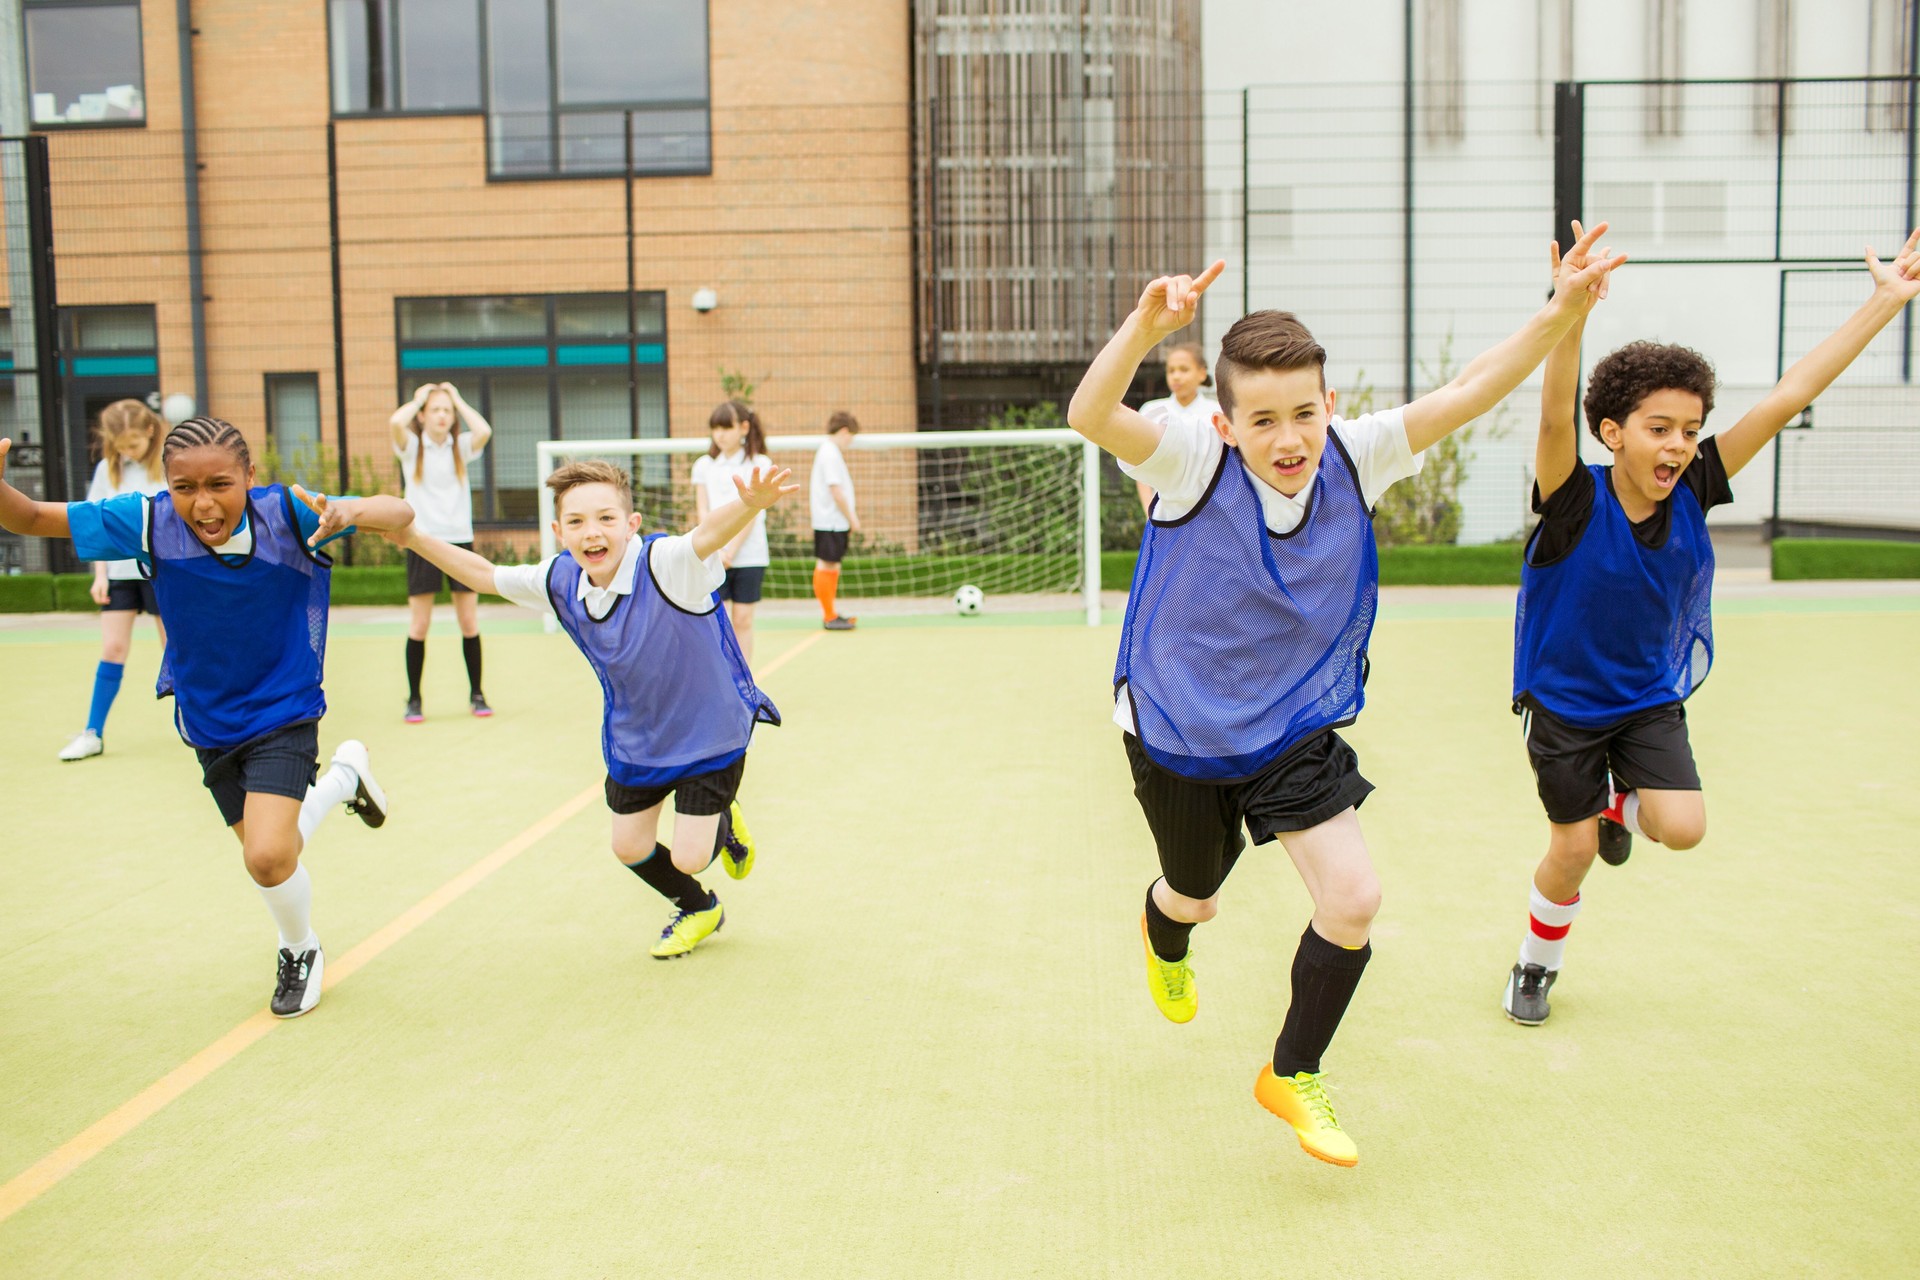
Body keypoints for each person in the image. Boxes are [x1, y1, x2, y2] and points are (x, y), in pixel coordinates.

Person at [1065, 227, 1624, 1168]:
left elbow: (1471, 386)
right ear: (1226, 423)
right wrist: (1145, 326)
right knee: (1196, 897)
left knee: (1355, 896)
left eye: (1303, 413)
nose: (1287, 439)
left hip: (1291, 726)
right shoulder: (1186, 463)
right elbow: (1090, 413)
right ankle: (1167, 927)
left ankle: (1292, 1070)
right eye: (1263, 420)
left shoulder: (1356, 455)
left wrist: (1562, 309)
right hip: (1180, 729)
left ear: (1330, 403)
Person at [1502, 225, 1920, 1026]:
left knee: (1683, 829)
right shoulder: (1573, 497)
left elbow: (1791, 395)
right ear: (1613, 433)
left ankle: (1622, 802)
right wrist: (1571, 310)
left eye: (1691, 429)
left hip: (1647, 698)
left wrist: (1884, 302)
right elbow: (1556, 411)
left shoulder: (1696, 487)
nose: (1680, 444)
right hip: (1563, 710)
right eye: (1660, 428)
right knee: (1573, 851)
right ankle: (1534, 964)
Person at [0, 417, 414, 1018]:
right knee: (277, 853)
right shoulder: (148, 521)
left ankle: (299, 949)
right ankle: (346, 779)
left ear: (250, 476)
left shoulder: (291, 512)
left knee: (267, 857)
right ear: (166, 486)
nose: (203, 502)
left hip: (284, 706)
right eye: (184, 487)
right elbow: (33, 518)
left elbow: (398, 512)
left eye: (220, 483)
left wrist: (353, 512)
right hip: (208, 720)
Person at [388, 458, 794, 959]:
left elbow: (705, 535)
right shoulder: (560, 580)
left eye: (605, 518)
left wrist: (748, 505)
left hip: (711, 731)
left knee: (689, 855)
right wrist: (412, 538)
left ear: (631, 525)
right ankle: (701, 908)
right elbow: (484, 574)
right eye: (576, 522)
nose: (592, 532)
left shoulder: (666, 562)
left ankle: (721, 822)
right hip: (639, 735)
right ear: (559, 532)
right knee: (628, 847)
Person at [58, 399, 169, 761]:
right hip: (120, 575)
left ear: (150, 432)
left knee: (176, 650)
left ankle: (208, 727)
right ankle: (93, 732)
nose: (128, 453)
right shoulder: (108, 469)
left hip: (162, 571)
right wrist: (100, 575)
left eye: (133, 445)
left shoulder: (169, 464)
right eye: (121, 447)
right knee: (112, 649)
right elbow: (95, 522)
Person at [389, 381, 494, 723]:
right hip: (422, 541)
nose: (441, 415)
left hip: (459, 540)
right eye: (435, 410)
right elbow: (395, 423)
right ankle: (414, 699)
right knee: (420, 624)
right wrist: (420, 397)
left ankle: (477, 695)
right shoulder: (411, 446)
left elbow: (484, 430)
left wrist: (458, 399)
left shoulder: (460, 447)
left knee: (468, 621)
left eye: (446, 411)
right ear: (422, 415)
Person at [691, 401, 774, 664]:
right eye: (716, 428)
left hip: (750, 554)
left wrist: (731, 549)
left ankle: (745, 679)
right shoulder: (704, 465)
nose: (720, 434)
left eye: (726, 427)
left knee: (743, 619)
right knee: (719, 620)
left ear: (744, 428)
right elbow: (702, 509)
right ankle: (724, 677)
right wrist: (715, 547)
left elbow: (754, 511)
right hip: (714, 554)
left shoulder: (759, 463)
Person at [1133, 342, 1217, 514]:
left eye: (1184, 369)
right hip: (1164, 512)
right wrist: (1150, 510)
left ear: (1202, 373)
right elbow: (1142, 465)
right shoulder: (1152, 412)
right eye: (1171, 371)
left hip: (1210, 511)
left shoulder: (1217, 412)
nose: (1176, 376)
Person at [810, 410, 860, 631]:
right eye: (851, 436)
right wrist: (852, 518)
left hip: (831, 520)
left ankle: (831, 613)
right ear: (844, 431)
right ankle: (829, 615)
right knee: (826, 563)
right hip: (831, 520)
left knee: (831, 563)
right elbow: (836, 490)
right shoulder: (829, 453)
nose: (851, 442)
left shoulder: (828, 452)